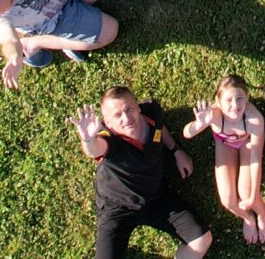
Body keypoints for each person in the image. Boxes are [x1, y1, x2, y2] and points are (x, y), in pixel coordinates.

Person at [75, 86, 213, 259]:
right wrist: (88, 139)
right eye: (117, 115)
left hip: (155, 197)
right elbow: (95, 150)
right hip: (117, 207)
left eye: (129, 109)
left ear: (138, 107)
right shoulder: (109, 139)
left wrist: (176, 150)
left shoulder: (152, 112)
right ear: (107, 123)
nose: (126, 118)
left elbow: (160, 128)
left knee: (202, 240)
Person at [183, 75, 265, 243]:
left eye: (240, 99)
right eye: (228, 100)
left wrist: (253, 197)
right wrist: (198, 125)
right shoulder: (214, 114)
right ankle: (248, 219)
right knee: (228, 200)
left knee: (246, 193)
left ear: (247, 98)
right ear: (218, 100)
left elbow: (256, 161)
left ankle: (263, 214)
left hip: (246, 145)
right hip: (225, 145)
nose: (235, 106)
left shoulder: (254, 119)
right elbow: (186, 134)